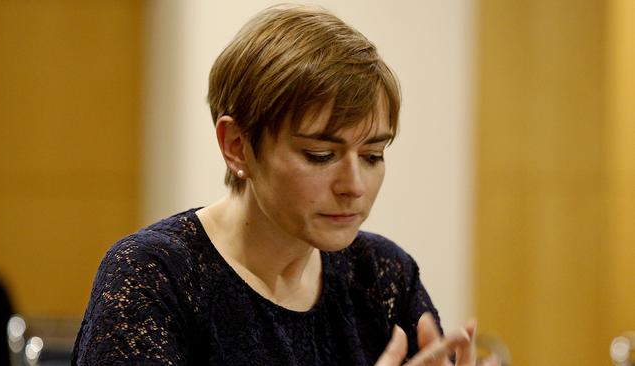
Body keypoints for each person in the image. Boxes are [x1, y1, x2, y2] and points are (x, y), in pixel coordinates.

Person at [72, 4, 498, 365]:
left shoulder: (382, 276)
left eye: (372, 156)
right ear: (237, 146)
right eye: (320, 155)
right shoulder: (153, 274)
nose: (353, 186)